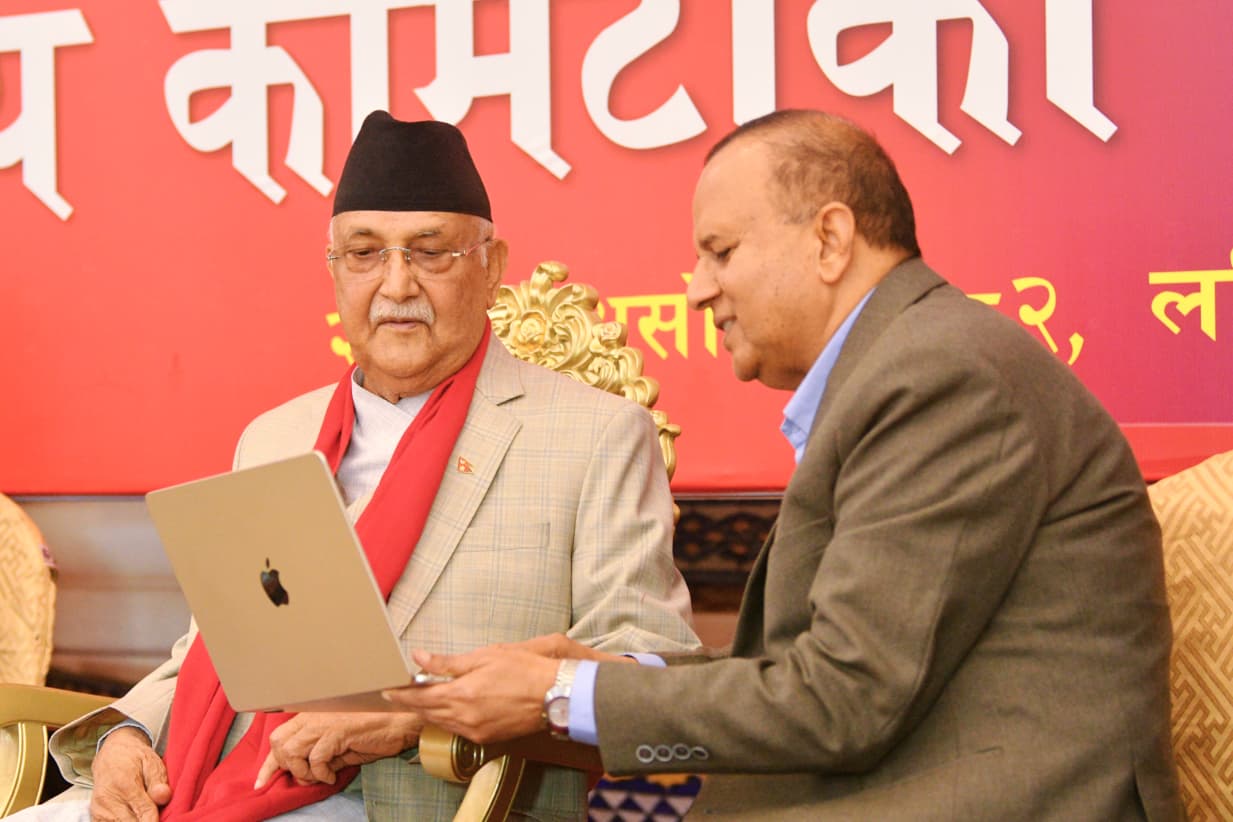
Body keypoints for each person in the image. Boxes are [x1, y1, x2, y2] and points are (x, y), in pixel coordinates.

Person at [385, 109, 1185, 820]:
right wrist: (609, 671)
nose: (697, 291)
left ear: (829, 240)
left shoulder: (941, 378)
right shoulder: (904, 366)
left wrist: (561, 695)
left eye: (720, 252)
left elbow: (845, 701)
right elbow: (818, 674)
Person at [26, 111, 698, 822]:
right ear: (333, 269)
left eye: (430, 252)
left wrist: (420, 714)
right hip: (209, 786)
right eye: (364, 253)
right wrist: (125, 737)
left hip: (420, 802)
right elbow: (207, 655)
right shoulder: (275, 436)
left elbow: (654, 681)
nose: (396, 284)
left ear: (492, 266)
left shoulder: (595, 435)